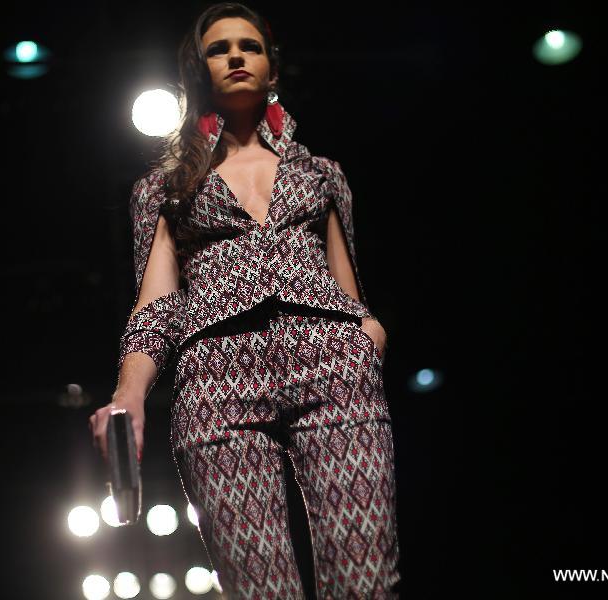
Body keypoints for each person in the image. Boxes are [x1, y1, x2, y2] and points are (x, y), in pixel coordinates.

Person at [90, 3, 401, 597]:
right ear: (198, 70)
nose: (235, 56)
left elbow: (349, 285)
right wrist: (128, 396)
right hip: (217, 381)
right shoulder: (166, 184)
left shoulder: (322, 174)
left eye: (249, 46)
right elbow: (155, 303)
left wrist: (368, 334)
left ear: (271, 66)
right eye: (218, 48)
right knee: (261, 589)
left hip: (332, 366)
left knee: (366, 582)